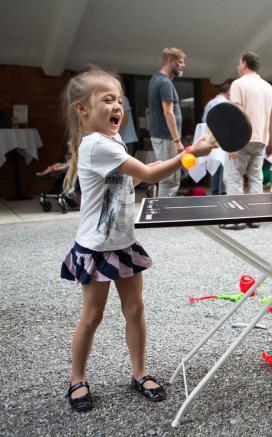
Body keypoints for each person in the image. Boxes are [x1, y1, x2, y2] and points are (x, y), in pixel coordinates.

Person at [59, 68, 215, 412]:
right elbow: (147, 174)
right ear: (82, 108)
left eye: (119, 100)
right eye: (107, 100)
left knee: (135, 309)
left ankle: (140, 371)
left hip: (123, 242)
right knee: (92, 316)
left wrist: (172, 161)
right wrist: (191, 153)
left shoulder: (113, 140)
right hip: (97, 247)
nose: (117, 107)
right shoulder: (96, 145)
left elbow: (132, 179)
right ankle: (76, 378)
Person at [225, 52, 272, 229]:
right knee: (256, 177)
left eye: (239, 63)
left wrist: (230, 141)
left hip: (241, 138)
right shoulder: (269, 87)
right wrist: (270, 141)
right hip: (261, 139)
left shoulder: (238, 84)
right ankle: (254, 218)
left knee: (234, 177)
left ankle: (236, 218)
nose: (237, 66)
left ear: (245, 63)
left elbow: (235, 114)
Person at [147, 47, 186, 197]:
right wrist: (177, 140)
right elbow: (168, 112)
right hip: (167, 138)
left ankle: (163, 213)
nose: (183, 65)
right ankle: (166, 216)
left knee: (166, 177)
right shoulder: (165, 83)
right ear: (170, 61)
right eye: (180, 62)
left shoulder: (156, 79)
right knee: (170, 179)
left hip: (161, 136)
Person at [202, 81, 230, 195]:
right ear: (228, 91)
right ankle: (223, 192)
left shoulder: (210, 103)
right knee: (224, 164)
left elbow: (204, 121)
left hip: (211, 137)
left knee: (215, 164)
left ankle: (214, 190)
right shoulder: (228, 103)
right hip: (224, 137)